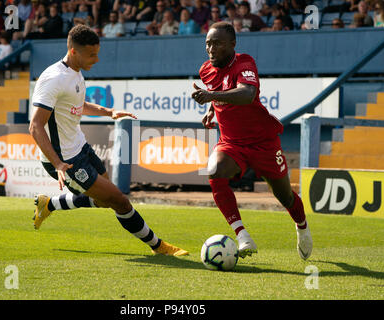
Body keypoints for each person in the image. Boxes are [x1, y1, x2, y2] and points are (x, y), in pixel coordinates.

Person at [29, 24, 188, 257]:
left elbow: (76, 105)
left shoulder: (74, 72)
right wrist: (58, 164)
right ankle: (159, 246)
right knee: (120, 201)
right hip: (66, 160)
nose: (97, 59)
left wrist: (108, 111)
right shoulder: (53, 78)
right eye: (92, 54)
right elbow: (35, 126)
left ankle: (49, 204)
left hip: (80, 147)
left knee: (104, 201)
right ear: (74, 52)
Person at [191, 22, 312, 260]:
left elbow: (246, 94)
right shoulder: (206, 69)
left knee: (285, 196)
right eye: (207, 43)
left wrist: (210, 97)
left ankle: (302, 226)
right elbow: (217, 93)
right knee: (215, 171)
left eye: (217, 43)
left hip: (264, 143)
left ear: (232, 45)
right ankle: (243, 236)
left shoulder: (245, 63)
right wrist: (211, 111)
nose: (211, 49)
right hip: (232, 143)